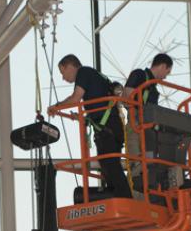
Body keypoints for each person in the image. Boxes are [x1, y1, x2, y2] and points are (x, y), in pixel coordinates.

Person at [47, 54, 131, 198]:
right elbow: (99, 107)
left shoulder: (84, 72)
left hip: (108, 127)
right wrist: (82, 117)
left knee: (110, 164)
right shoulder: (94, 76)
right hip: (109, 125)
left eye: (63, 72)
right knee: (108, 165)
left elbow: (75, 98)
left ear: (70, 66)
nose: (63, 77)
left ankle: (125, 198)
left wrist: (56, 107)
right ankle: (117, 197)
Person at [122, 53, 176, 191]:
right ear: (163, 66)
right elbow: (128, 95)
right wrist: (136, 115)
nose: (165, 77)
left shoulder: (153, 89)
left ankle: (148, 190)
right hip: (136, 124)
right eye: (167, 72)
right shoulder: (139, 75)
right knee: (136, 160)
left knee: (149, 162)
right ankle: (136, 193)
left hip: (148, 129)